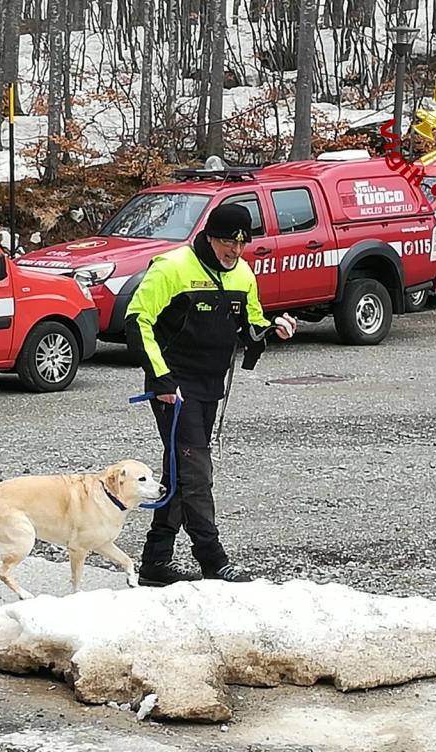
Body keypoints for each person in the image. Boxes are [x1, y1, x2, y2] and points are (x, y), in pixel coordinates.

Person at [125, 203, 298, 587]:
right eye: (226, 243)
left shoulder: (242, 274)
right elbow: (138, 321)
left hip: (209, 386)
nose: (234, 252)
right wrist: (161, 379)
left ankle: (155, 561)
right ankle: (213, 561)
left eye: (241, 245)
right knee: (196, 474)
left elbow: (250, 324)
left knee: (179, 472)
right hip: (175, 387)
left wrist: (274, 329)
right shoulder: (172, 267)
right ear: (208, 237)